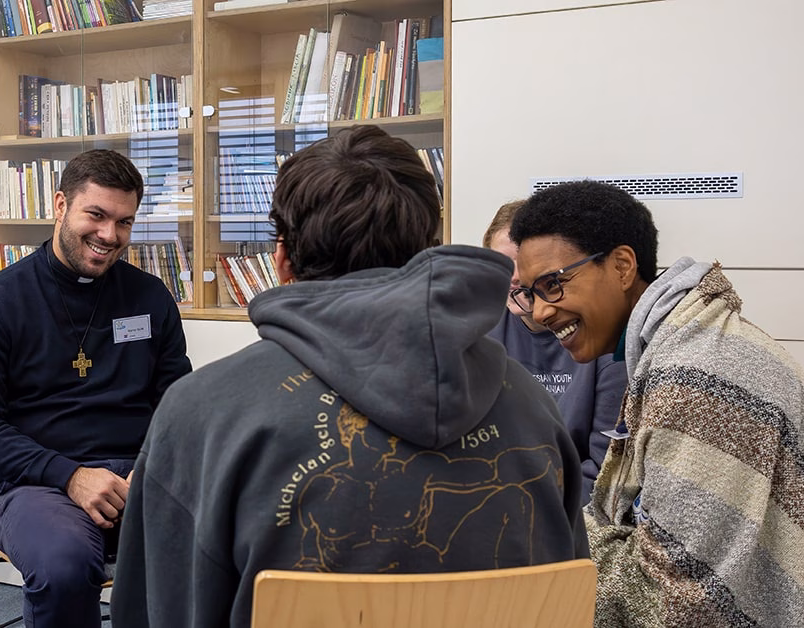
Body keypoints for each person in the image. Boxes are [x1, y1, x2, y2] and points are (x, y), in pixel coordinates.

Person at [111, 125, 588, 628]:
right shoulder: (533, 407)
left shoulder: (199, 415)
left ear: (282, 259)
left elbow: (156, 609)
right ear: (427, 249)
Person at [509, 180, 804, 627]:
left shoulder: (698, 375)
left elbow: (681, 597)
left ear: (623, 267)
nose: (540, 312)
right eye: (530, 293)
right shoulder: (674, 346)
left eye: (553, 284)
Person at [0, 149, 192, 628]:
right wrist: (71, 476)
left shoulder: (150, 297)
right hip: (36, 483)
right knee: (64, 566)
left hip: (139, 478)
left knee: (224, 538)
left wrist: (152, 470)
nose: (109, 235)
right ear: (60, 205)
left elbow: (178, 406)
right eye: (96, 215)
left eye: (124, 222)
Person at [483, 200, 626, 502]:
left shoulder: (604, 340)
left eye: (523, 265)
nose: (515, 278)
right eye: (501, 264)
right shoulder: (479, 333)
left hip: (572, 511)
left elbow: (606, 469)